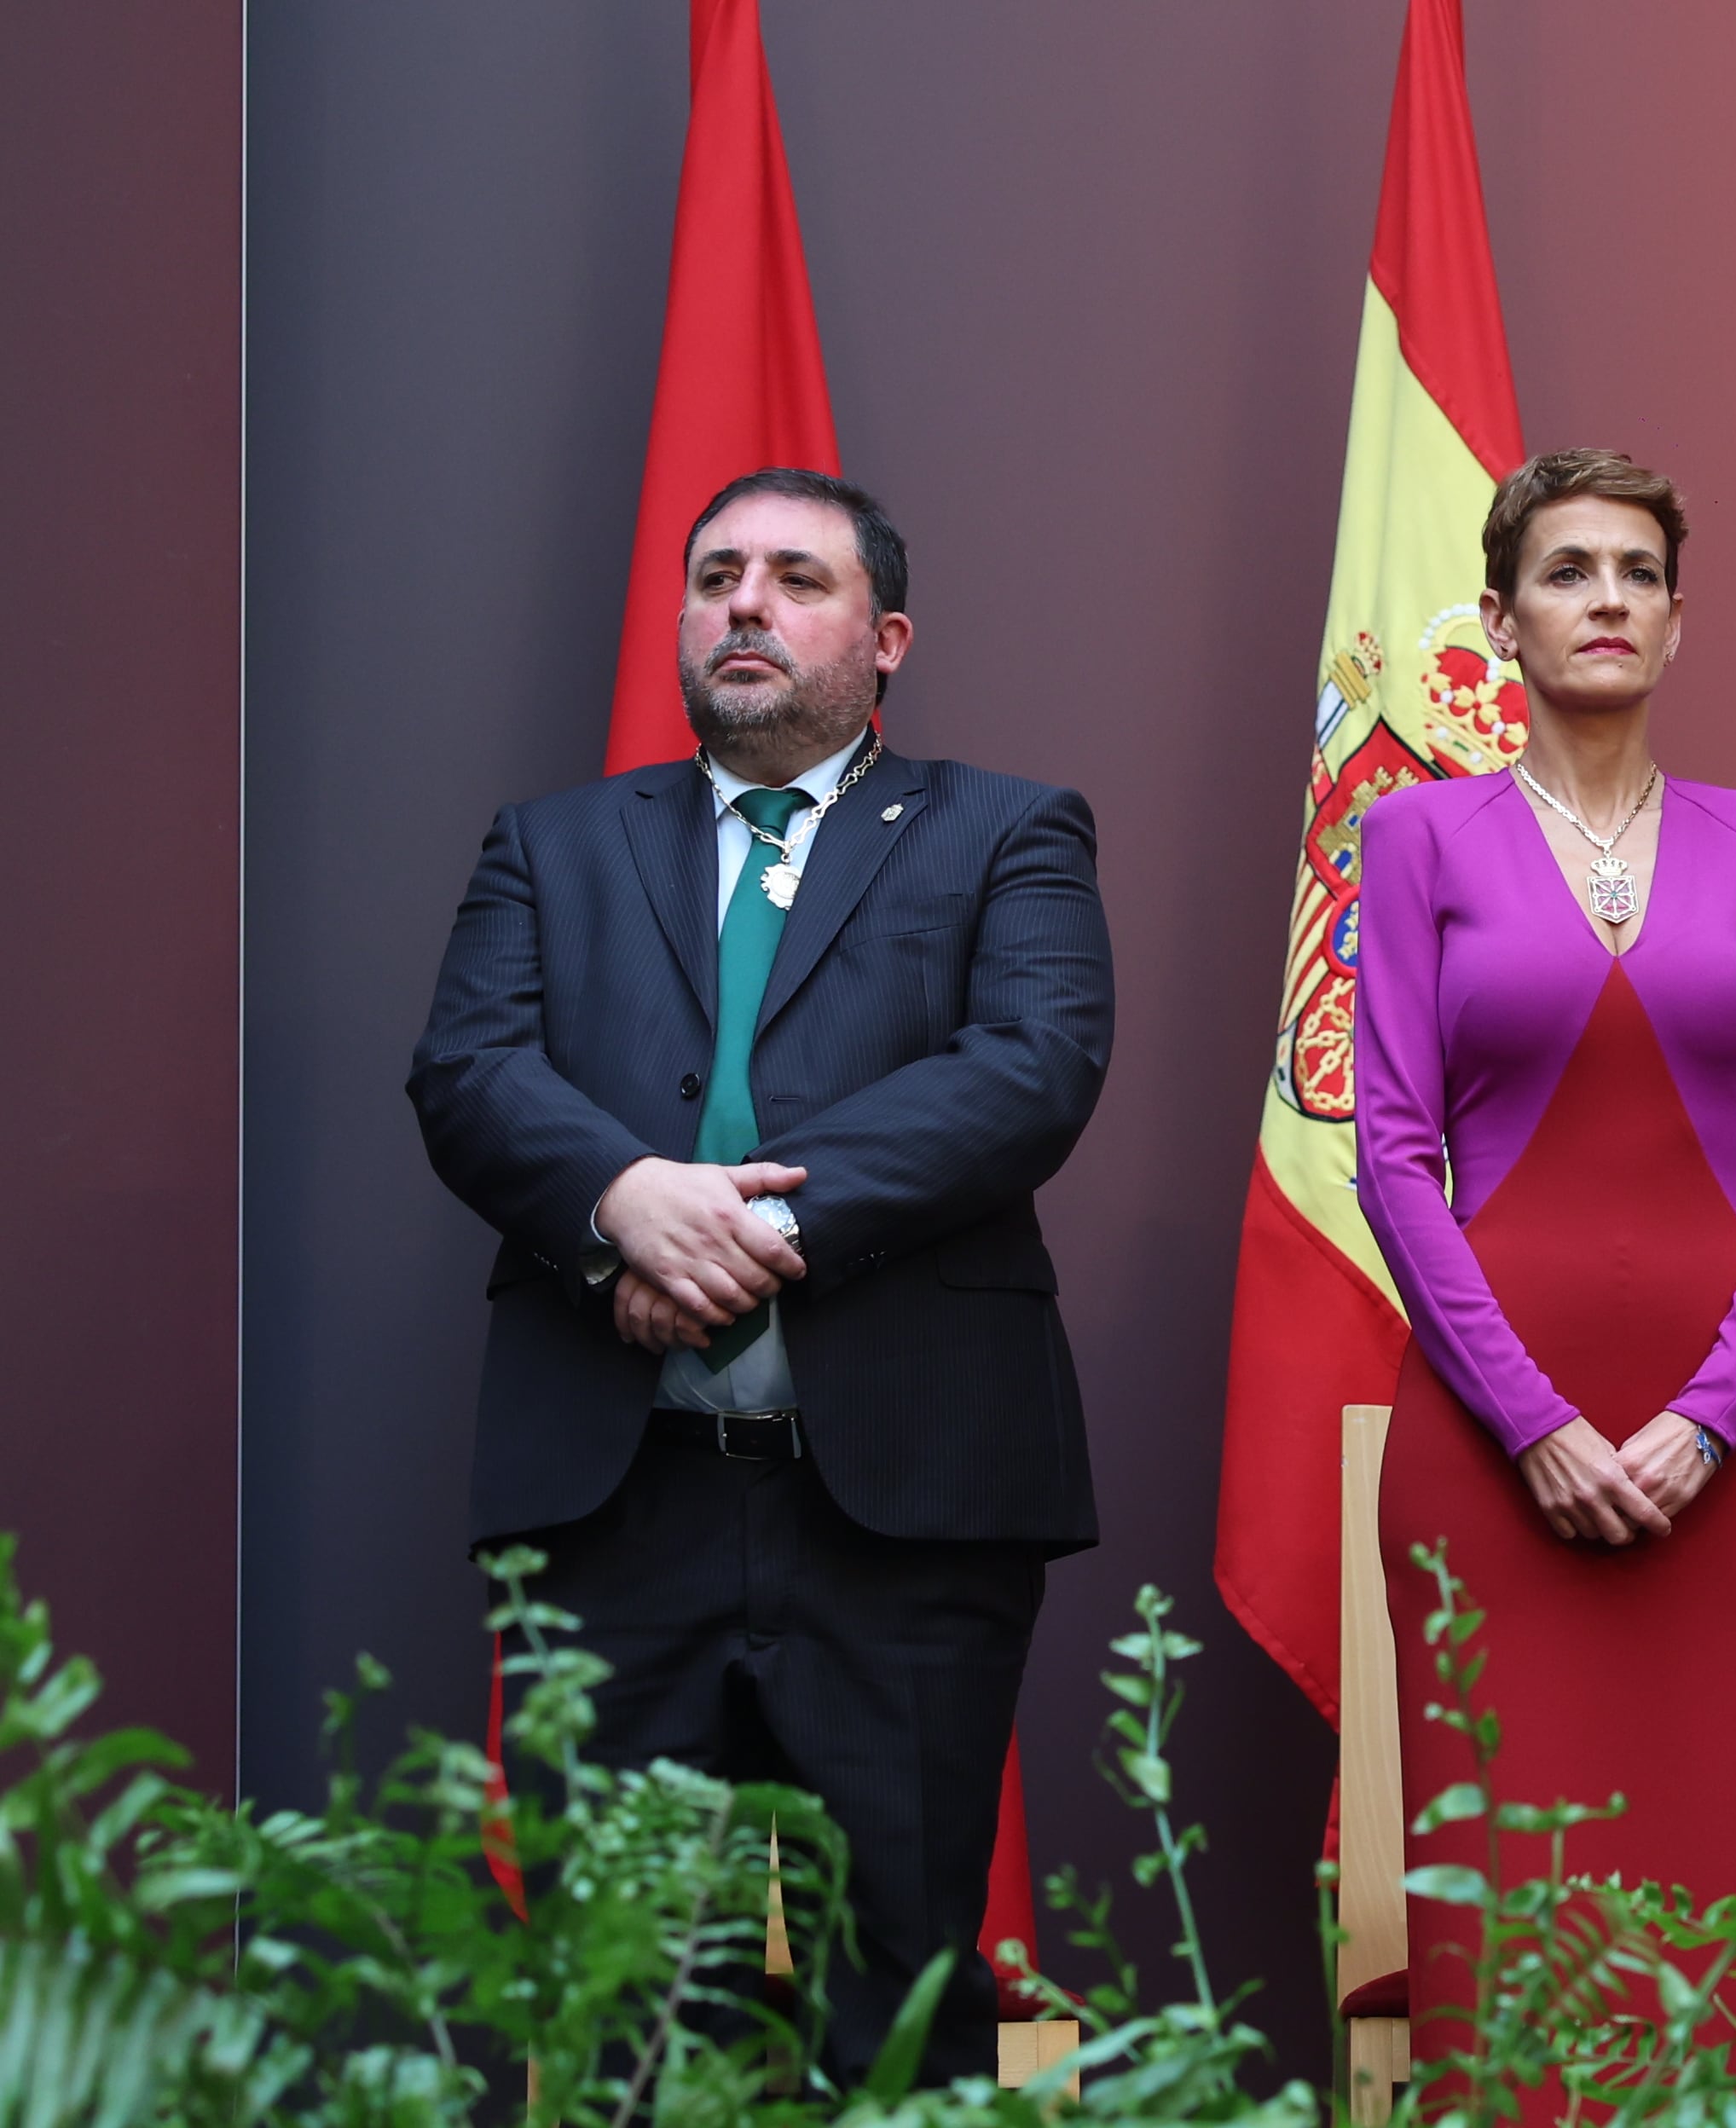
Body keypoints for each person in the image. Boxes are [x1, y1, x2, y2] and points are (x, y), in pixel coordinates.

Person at [408, 468, 1114, 2079]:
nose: (746, 603)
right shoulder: (555, 844)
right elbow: (468, 1073)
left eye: (799, 579)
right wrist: (617, 1207)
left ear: (888, 639)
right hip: (616, 1506)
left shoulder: (1010, 830)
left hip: (905, 1510)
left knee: (902, 2010)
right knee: (627, 2018)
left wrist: (735, 1241)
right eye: (717, 574)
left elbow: (1030, 1070)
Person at [1352, 448, 1736, 2068]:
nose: (1608, 600)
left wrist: (1710, 1414)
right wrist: (1538, 1425)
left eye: (1638, 573)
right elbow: (1390, 1155)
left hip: (1728, 1451)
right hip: (1495, 1460)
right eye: (1569, 572)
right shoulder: (1421, 837)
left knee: (1706, 1909)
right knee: (1512, 1927)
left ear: (1680, 619)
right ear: (1503, 620)